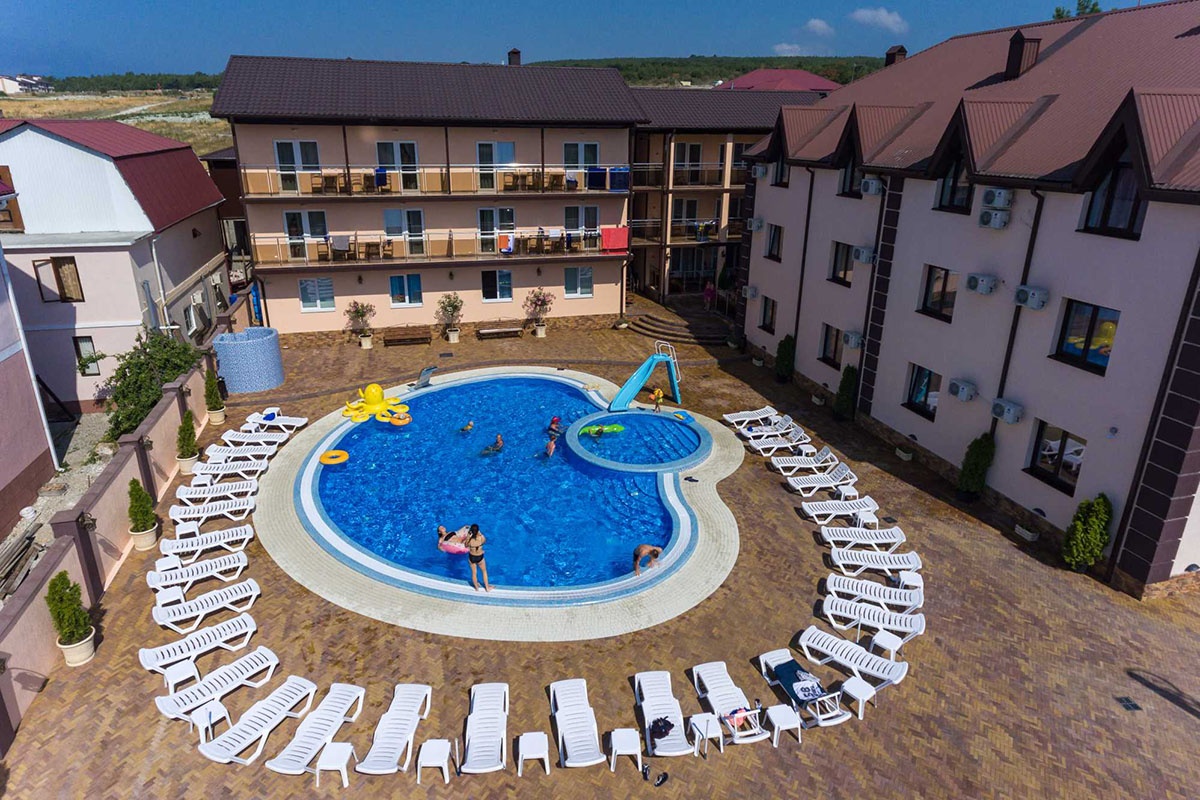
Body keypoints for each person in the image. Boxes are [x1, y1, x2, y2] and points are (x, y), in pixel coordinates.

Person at [466, 524, 491, 591]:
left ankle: (476, 588)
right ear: (478, 530)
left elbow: (466, 545)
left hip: (472, 557)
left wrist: (468, 536)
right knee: (484, 571)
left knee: (474, 573)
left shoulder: (470, 540)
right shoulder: (481, 538)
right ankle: (487, 588)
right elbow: (484, 541)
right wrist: (480, 534)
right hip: (479, 557)